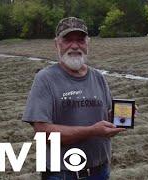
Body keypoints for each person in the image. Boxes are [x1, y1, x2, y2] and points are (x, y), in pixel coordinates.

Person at [22, 17, 126, 180]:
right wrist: (92, 131)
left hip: (100, 171)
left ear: (88, 43)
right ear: (57, 44)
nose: (75, 46)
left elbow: (105, 120)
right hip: (63, 174)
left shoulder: (98, 77)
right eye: (68, 40)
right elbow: (42, 132)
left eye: (80, 40)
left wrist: (119, 119)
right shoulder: (45, 78)